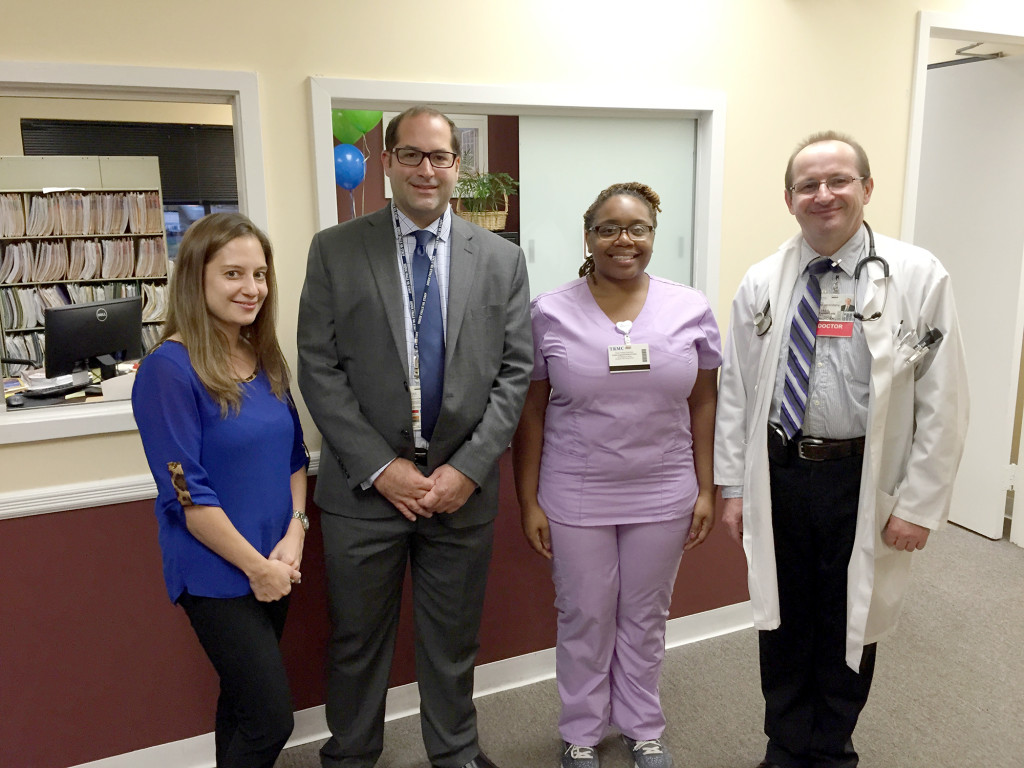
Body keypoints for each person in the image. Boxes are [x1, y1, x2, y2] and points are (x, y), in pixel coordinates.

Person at [714, 131, 969, 768]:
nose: (823, 195)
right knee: (782, 617)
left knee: (849, 621)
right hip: (779, 471)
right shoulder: (763, 281)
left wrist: (919, 503)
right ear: (788, 198)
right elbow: (737, 392)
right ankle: (783, 746)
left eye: (839, 181)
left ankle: (830, 751)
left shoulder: (916, 274)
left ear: (867, 188)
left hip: (861, 476)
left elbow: (946, 398)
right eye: (808, 185)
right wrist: (734, 486)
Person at [296, 106, 532, 768]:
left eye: (440, 157)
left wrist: (469, 469)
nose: (426, 170)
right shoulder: (335, 249)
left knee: (453, 639)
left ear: (459, 166)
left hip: (461, 489)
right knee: (357, 639)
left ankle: (455, 752)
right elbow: (318, 366)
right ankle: (351, 754)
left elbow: (515, 374)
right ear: (387, 164)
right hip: (364, 493)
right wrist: (380, 467)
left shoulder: (502, 260)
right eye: (411, 155)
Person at [512, 182, 721, 768]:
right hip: (576, 491)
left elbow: (704, 402)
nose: (623, 239)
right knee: (585, 612)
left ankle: (641, 725)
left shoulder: (689, 308)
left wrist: (707, 488)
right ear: (589, 236)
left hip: (664, 488)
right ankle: (580, 731)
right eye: (608, 228)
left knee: (646, 615)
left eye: (637, 228)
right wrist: (528, 500)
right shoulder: (550, 312)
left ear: (654, 235)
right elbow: (531, 412)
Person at [132, 212, 309, 768]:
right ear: (196, 278)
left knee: (240, 705)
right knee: (270, 719)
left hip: (277, 558)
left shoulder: (264, 356)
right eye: (233, 273)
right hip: (217, 572)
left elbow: (295, 457)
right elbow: (189, 496)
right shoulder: (168, 370)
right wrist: (258, 569)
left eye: (259, 274)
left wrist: (295, 534)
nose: (251, 288)